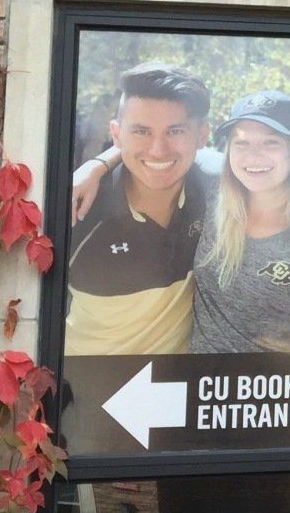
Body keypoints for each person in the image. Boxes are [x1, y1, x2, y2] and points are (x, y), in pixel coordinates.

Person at [65, 63, 212, 356]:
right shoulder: (79, 207)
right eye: (142, 131)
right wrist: (97, 166)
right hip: (82, 381)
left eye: (175, 131)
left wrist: (100, 163)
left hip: (176, 381)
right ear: (117, 134)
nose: (158, 149)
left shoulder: (216, 195)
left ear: (202, 135)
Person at [188, 91, 290, 354]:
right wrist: (99, 166)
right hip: (203, 377)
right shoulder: (209, 192)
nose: (253, 156)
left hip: (277, 379)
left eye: (271, 142)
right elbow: (156, 150)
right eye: (241, 143)